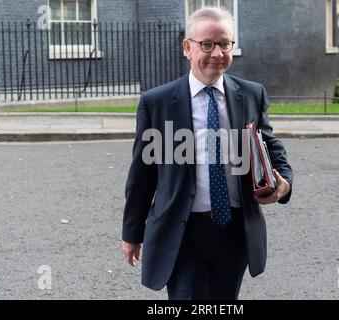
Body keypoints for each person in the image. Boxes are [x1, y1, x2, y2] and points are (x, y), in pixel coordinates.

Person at [121, 6, 293, 300]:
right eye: (207, 44)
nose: (217, 53)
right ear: (187, 48)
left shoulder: (251, 94)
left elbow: (269, 145)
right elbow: (142, 173)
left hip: (235, 230)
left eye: (224, 43)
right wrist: (132, 232)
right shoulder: (157, 102)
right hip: (182, 231)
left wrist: (284, 184)